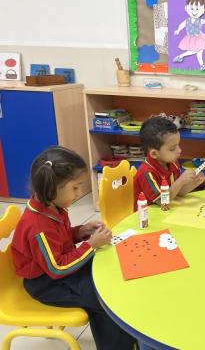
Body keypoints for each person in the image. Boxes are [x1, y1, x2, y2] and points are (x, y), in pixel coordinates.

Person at [11, 146, 136, 349]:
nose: (79, 193)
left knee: (111, 272)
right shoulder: (38, 227)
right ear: (52, 189)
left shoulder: (53, 207)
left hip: (58, 270)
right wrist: (90, 245)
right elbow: (57, 268)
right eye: (75, 188)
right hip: (46, 284)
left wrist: (80, 232)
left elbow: (59, 241)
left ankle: (128, 336)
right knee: (106, 299)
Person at [134, 115, 205, 207]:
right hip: (148, 217)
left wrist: (194, 183)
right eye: (172, 149)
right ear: (154, 154)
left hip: (166, 212)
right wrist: (180, 181)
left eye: (178, 145)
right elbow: (162, 201)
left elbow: (178, 192)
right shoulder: (146, 173)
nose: (179, 150)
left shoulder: (172, 163)